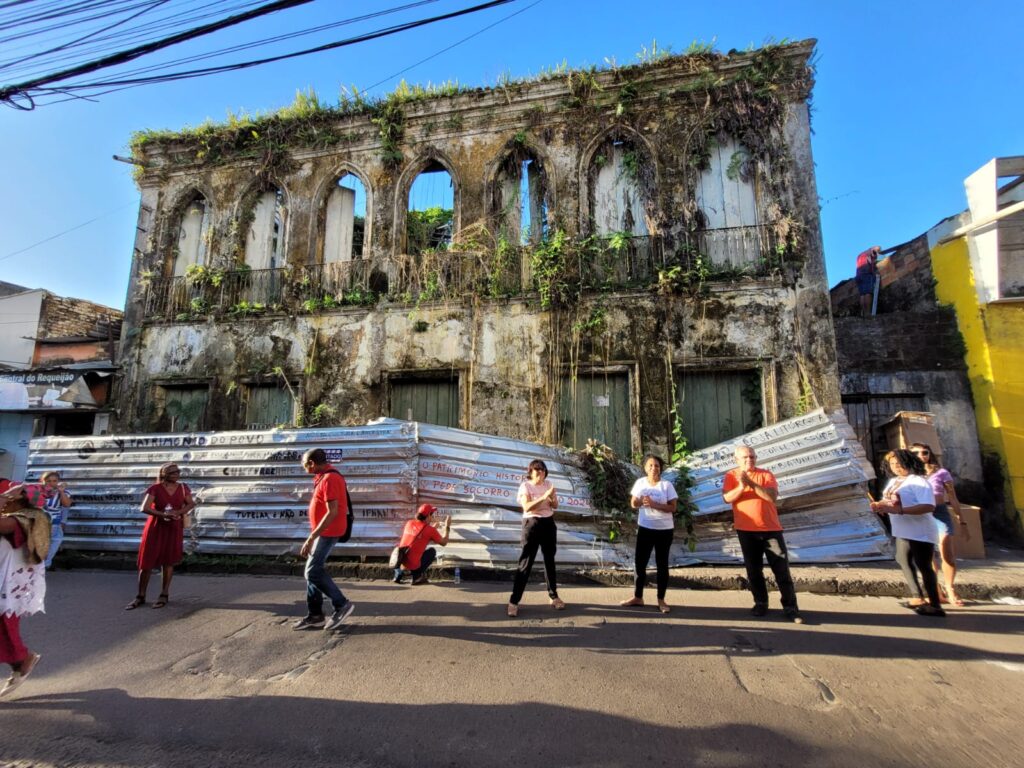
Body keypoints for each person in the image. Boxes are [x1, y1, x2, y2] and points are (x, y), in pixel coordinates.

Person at [722, 444, 803, 623]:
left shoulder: (766, 474)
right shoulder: (730, 476)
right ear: (737, 460)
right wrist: (742, 487)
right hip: (746, 532)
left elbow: (771, 497)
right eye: (745, 457)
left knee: (781, 570)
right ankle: (760, 602)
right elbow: (727, 498)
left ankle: (791, 607)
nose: (749, 460)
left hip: (770, 531)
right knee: (754, 571)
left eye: (752, 456)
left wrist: (751, 483)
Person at [870, 449, 944, 617]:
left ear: (909, 462)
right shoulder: (894, 481)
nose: (896, 467)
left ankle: (935, 604)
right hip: (903, 530)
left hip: (920, 531)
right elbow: (890, 501)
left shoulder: (918, 482)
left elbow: (928, 506)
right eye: (892, 464)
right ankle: (917, 596)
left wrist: (900, 511)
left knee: (924, 565)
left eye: (899, 463)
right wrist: (880, 505)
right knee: (903, 560)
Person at [293, 448, 355, 631]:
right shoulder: (323, 477)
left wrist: (312, 537)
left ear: (311, 463)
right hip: (324, 531)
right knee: (313, 570)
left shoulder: (329, 479)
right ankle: (315, 615)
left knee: (312, 572)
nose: (303, 467)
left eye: (304, 464)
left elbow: (332, 511)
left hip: (329, 531)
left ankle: (341, 604)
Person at [125, 463, 195, 610]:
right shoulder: (155, 489)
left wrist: (178, 512)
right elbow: (144, 508)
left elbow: (190, 504)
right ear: (164, 474)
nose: (176, 474)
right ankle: (140, 596)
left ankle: (164, 594)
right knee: (146, 562)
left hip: (173, 527)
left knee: (168, 561)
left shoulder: (183, 488)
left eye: (178, 471)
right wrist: (162, 514)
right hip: (156, 527)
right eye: (172, 472)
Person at [1, 483, 48, 698]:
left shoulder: (24, 518)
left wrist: (2, 498)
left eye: (10, 495)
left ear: (21, 498)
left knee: (5, 628)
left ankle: (23, 659)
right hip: (6, 580)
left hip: (7, 585)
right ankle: (22, 660)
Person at [911, 442, 968, 607]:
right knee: (928, 557)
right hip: (921, 515)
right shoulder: (911, 476)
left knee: (946, 553)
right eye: (916, 453)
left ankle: (950, 588)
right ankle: (936, 590)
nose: (921, 456)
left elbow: (953, 497)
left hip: (940, 514)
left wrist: (961, 519)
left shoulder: (942, 473)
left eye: (925, 452)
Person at [507, 459, 565, 617]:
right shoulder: (525, 486)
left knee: (549, 561)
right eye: (537, 470)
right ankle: (514, 601)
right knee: (525, 563)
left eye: (543, 470)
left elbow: (555, 506)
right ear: (531, 472)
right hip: (532, 524)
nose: (541, 473)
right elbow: (526, 506)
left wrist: (552, 498)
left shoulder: (548, 484)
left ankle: (554, 596)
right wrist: (544, 497)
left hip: (548, 523)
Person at [620, 454, 677, 614]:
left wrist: (654, 504)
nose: (653, 468)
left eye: (657, 465)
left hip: (664, 530)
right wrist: (640, 502)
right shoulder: (640, 483)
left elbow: (673, 508)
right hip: (645, 528)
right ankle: (638, 597)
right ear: (645, 468)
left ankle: (661, 600)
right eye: (650, 465)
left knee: (662, 564)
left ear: (661, 468)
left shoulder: (666, 485)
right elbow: (633, 503)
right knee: (640, 563)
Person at [392, 503, 450, 585]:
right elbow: (444, 543)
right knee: (431, 551)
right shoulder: (430, 530)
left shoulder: (409, 523)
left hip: (400, 561)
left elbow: (420, 538)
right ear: (428, 516)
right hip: (413, 566)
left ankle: (399, 573)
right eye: (432, 514)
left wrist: (432, 528)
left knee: (413, 551)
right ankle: (417, 577)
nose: (433, 516)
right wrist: (447, 526)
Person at [39, 471, 72, 569]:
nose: (51, 483)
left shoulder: (63, 493)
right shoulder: (38, 491)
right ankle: (45, 564)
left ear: (58, 482)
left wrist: (61, 491)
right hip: (41, 522)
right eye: (48, 481)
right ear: (43, 481)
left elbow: (66, 504)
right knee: (52, 541)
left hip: (53, 522)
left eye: (54, 481)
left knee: (51, 542)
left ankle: (43, 564)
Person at [855, 245, 881, 317]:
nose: (878, 252)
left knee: (862, 294)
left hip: (858, 275)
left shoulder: (860, 255)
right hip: (866, 273)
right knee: (867, 293)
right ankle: (867, 312)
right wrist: (881, 256)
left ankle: (863, 312)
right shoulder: (870, 251)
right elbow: (875, 251)